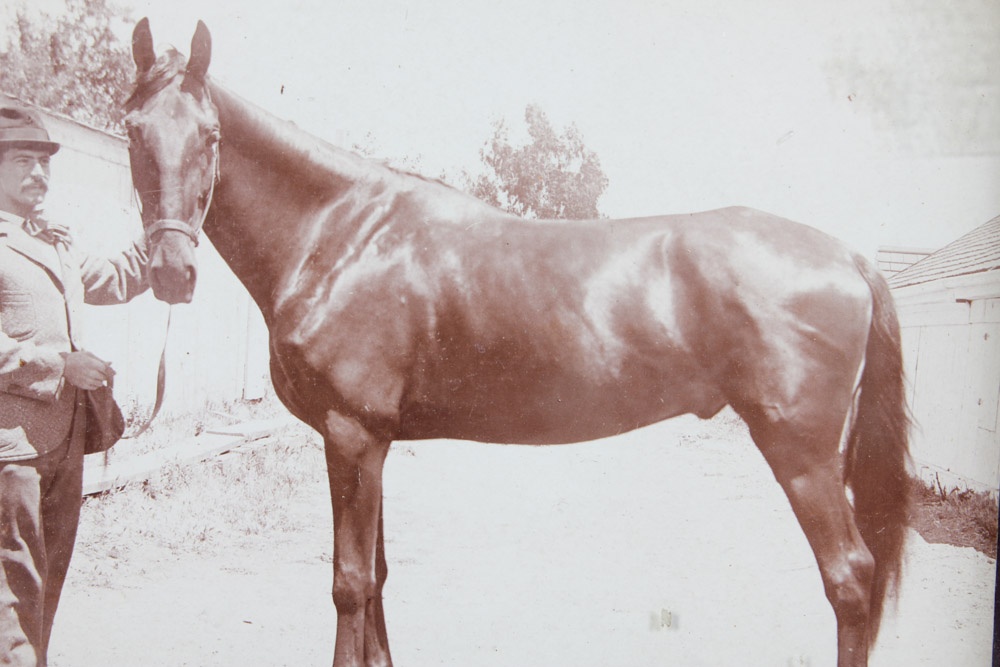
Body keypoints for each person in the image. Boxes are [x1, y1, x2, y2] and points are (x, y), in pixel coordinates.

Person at [0, 103, 149, 666]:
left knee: (46, 583)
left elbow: (114, 279)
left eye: (43, 162)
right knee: (13, 588)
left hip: (65, 442)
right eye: (23, 161)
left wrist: (165, 226)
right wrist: (61, 366)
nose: (38, 173)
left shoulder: (53, 241)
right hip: (11, 450)